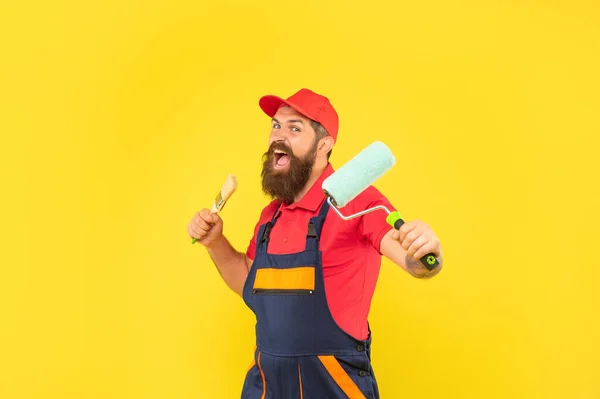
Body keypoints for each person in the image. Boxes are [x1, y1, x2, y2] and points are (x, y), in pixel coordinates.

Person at [187, 88, 443, 399]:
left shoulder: (358, 200)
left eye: (295, 128)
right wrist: (215, 243)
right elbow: (247, 281)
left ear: (324, 145)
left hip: (332, 386)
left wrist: (426, 250)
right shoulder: (270, 216)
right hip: (267, 386)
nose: (279, 136)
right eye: (276, 125)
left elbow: (417, 263)